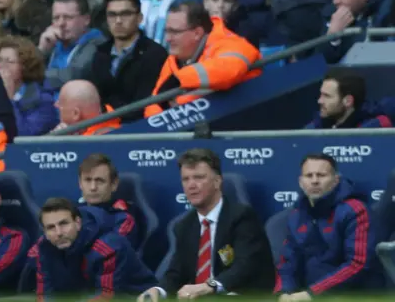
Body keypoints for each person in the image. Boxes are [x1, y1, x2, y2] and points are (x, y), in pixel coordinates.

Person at [138, 148, 274, 301]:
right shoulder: (184, 226)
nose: (191, 185)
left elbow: (245, 267)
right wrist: (158, 290)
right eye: (186, 179)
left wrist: (210, 286)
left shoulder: (241, 216)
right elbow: (176, 273)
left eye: (198, 177)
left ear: (217, 181)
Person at [275, 154, 384, 300]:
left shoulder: (355, 210)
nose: (314, 181)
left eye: (321, 175)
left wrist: (312, 293)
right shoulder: (296, 216)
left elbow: (358, 264)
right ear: (301, 182)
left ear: (335, 180)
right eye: (309, 175)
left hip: (354, 295)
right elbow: (287, 263)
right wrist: (283, 293)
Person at [144, 2, 261, 117]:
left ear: (197, 33)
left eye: (174, 32)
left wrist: (179, 81)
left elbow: (228, 71)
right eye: (167, 31)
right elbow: (155, 102)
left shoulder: (231, 43)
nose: (168, 38)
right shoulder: (175, 57)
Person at [33, 198, 158, 299]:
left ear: (78, 223)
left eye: (64, 224)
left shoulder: (108, 247)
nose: (58, 232)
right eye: (51, 227)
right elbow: (44, 295)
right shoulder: (44, 248)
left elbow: (107, 296)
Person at [78, 153, 138, 248]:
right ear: (80, 183)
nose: (93, 187)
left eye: (100, 181)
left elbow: (110, 252)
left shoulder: (124, 217)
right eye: (88, 180)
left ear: (114, 184)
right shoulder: (72, 212)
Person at [306, 70, 393, 128]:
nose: (320, 101)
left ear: (348, 101)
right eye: (321, 94)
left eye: (327, 96)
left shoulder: (373, 128)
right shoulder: (317, 125)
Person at [53, 80, 121, 135]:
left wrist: (61, 145)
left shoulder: (97, 142)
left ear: (76, 114)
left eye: (61, 103)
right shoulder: (116, 129)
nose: (56, 105)